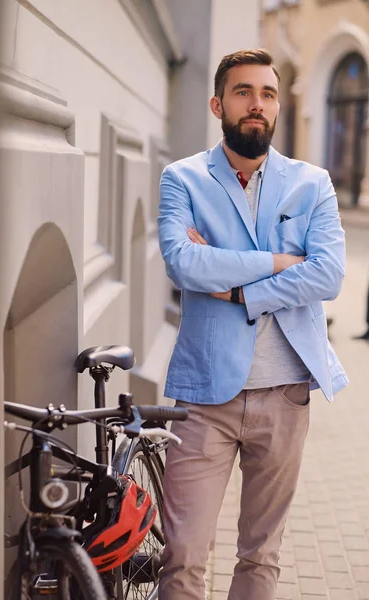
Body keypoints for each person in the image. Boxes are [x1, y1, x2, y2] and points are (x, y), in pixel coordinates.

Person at [157, 49, 348, 600]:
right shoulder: (184, 179)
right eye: (243, 92)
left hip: (284, 394)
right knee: (184, 555)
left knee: (261, 556)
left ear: (278, 105)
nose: (256, 104)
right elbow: (182, 262)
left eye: (266, 93)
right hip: (203, 398)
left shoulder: (311, 183)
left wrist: (239, 288)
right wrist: (279, 263)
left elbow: (329, 276)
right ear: (219, 103)